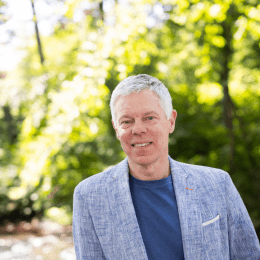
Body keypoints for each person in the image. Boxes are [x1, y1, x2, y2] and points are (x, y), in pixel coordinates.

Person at [73, 74, 260, 259]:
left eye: (149, 118)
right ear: (116, 128)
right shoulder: (89, 196)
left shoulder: (218, 184)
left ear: (171, 121)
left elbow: (249, 255)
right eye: (127, 121)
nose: (138, 129)